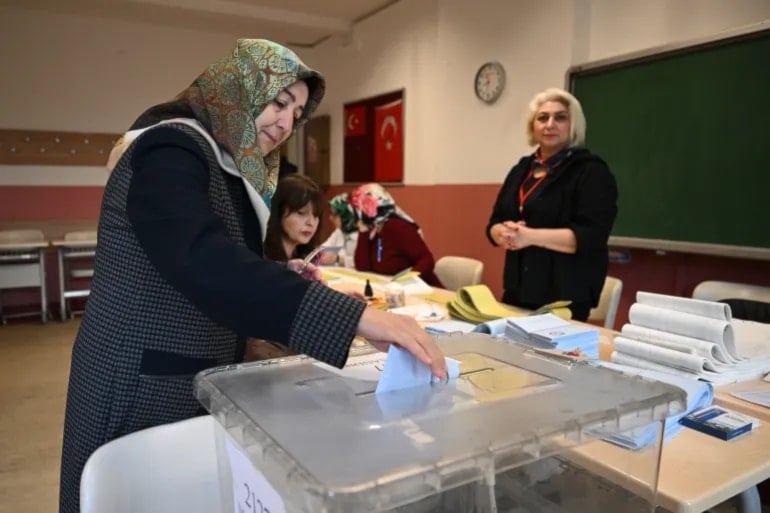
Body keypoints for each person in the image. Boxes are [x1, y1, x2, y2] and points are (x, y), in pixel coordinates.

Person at [59, 39, 446, 513]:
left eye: (297, 114)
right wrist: (355, 317)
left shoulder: (224, 163)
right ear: (236, 85)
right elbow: (203, 260)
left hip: (183, 373)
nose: (286, 124)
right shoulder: (170, 149)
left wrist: (263, 303)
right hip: (138, 382)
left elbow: (219, 263)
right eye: (279, 102)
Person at [485, 87, 618, 321]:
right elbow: (494, 222)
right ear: (532, 126)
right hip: (518, 289)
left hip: (566, 294)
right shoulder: (521, 169)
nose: (550, 124)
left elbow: (591, 237)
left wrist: (529, 237)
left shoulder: (591, 171)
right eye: (543, 118)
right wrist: (502, 233)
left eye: (560, 117)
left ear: (572, 125)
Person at [350, 183, 443, 287]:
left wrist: (407, 280)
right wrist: (363, 232)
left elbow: (427, 260)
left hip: (424, 289)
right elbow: (362, 267)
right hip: (391, 289)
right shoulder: (374, 231)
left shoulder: (397, 227)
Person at [263, 174, 323, 261]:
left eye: (316, 215)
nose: (311, 223)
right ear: (279, 212)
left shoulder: (306, 257)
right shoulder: (261, 257)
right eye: (301, 213)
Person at [321, 192, 359, 268]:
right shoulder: (339, 232)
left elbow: (363, 262)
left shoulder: (362, 236)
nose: (330, 218)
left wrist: (338, 259)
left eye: (334, 214)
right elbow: (323, 249)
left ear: (347, 216)